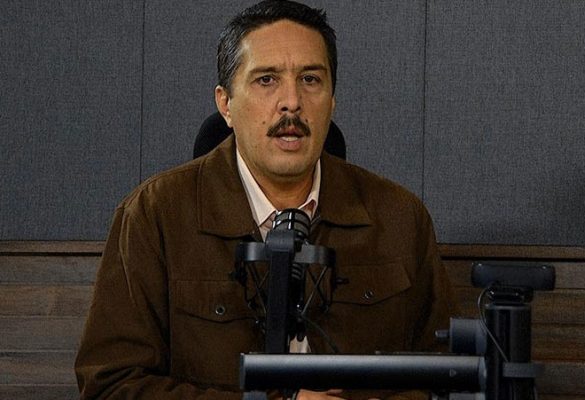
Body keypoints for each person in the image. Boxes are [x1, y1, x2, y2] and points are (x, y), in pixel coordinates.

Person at [75, 1, 454, 399]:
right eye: (266, 80)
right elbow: (111, 386)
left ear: (332, 101)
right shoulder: (154, 215)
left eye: (310, 79)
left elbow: (448, 376)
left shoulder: (399, 217)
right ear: (225, 103)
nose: (292, 102)